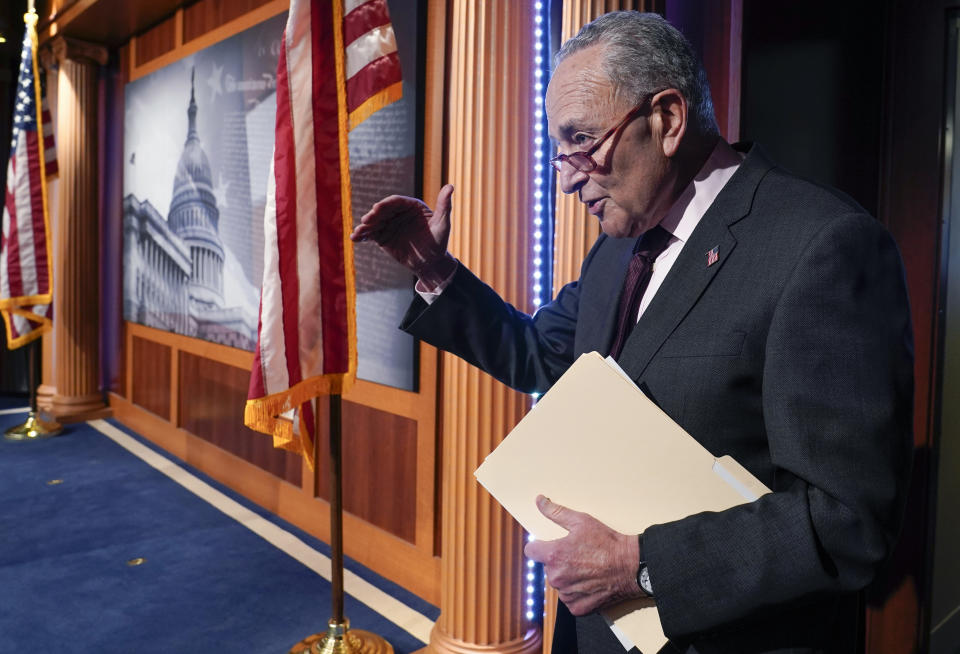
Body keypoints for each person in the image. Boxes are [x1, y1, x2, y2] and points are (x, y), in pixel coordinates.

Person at [351, 11, 913, 654]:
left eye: (582, 140)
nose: (564, 179)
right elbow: (540, 353)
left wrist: (639, 564)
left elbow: (848, 522)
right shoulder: (619, 247)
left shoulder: (823, 246)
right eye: (558, 151)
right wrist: (434, 270)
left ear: (668, 120)